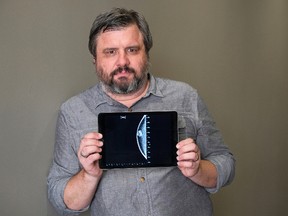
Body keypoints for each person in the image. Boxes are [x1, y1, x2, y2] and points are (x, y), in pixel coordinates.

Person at [47, 8, 235, 216]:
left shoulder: (186, 96)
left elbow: (225, 163)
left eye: (132, 50)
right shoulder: (73, 112)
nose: (122, 62)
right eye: (110, 52)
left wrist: (198, 170)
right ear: (95, 60)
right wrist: (89, 175)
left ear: (146, 53)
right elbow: (59, 196)